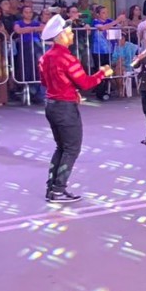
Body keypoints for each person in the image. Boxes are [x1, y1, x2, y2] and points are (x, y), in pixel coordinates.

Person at [39, 13, 113, 202]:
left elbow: (45, 82)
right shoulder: (67, 58)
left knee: (61, 147)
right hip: (65, 108)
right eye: (69, 32)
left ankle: (52, 187)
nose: (72, 35)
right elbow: (86, 83)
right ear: (61, 36)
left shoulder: (45, 57)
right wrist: (102, 73)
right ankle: (58, 189)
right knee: (72, 149)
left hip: (51, 105)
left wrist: (69, 89)